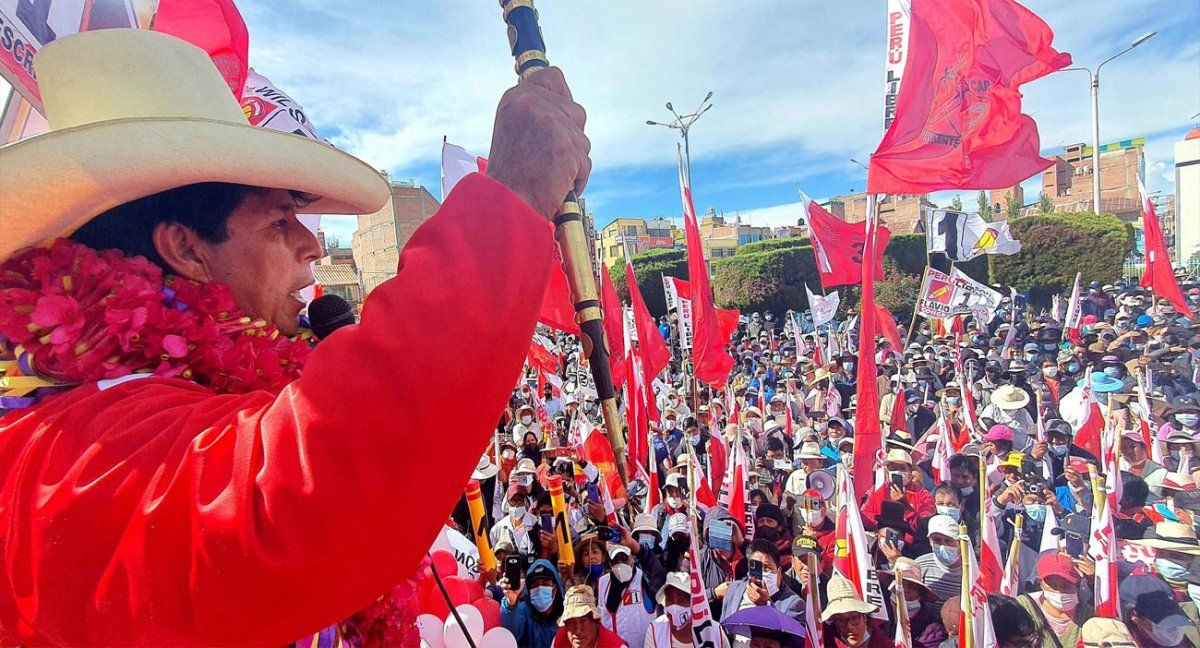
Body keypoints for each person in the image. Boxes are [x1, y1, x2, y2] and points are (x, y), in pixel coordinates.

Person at [0, 26, 592, 645]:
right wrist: (511, 199)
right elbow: (290, 503)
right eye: (282, 221)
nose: (312, 244)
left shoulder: (172, 397)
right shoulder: (55, 448)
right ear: (185, 247)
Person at [715, 539, 804, 632]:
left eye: (767, 568)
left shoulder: (794, 605)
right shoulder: (734, 589)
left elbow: (792, 640)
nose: (762, 574)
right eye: (756, 567)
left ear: (779, 572)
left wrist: (765, 607)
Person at [1015, 553, 1092, 647]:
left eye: (1066, 586)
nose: (1058, 591)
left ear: (1078, 585)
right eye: (1052, 585)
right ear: (1041, 583)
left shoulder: (1089, 616)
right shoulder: (1022, 607)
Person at [502, 559, 568, 648]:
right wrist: (511, 602)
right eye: (535, 585)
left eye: (545, 584)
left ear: (555, 589)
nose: (540, 589)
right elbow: (511, 633)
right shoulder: (523, 612)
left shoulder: (567, 615)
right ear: (529, 591)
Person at [820, 572, 890, 647]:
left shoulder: (883, 643)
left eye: (855, 618)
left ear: (865, 617)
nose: (850, 627)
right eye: (841, 621)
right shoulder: (826, 642)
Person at [553, 584, 628, 648]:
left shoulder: (616, 646)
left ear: (596, 622)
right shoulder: (559, 640)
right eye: (571, 623)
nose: (578, 631)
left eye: (583, 621)